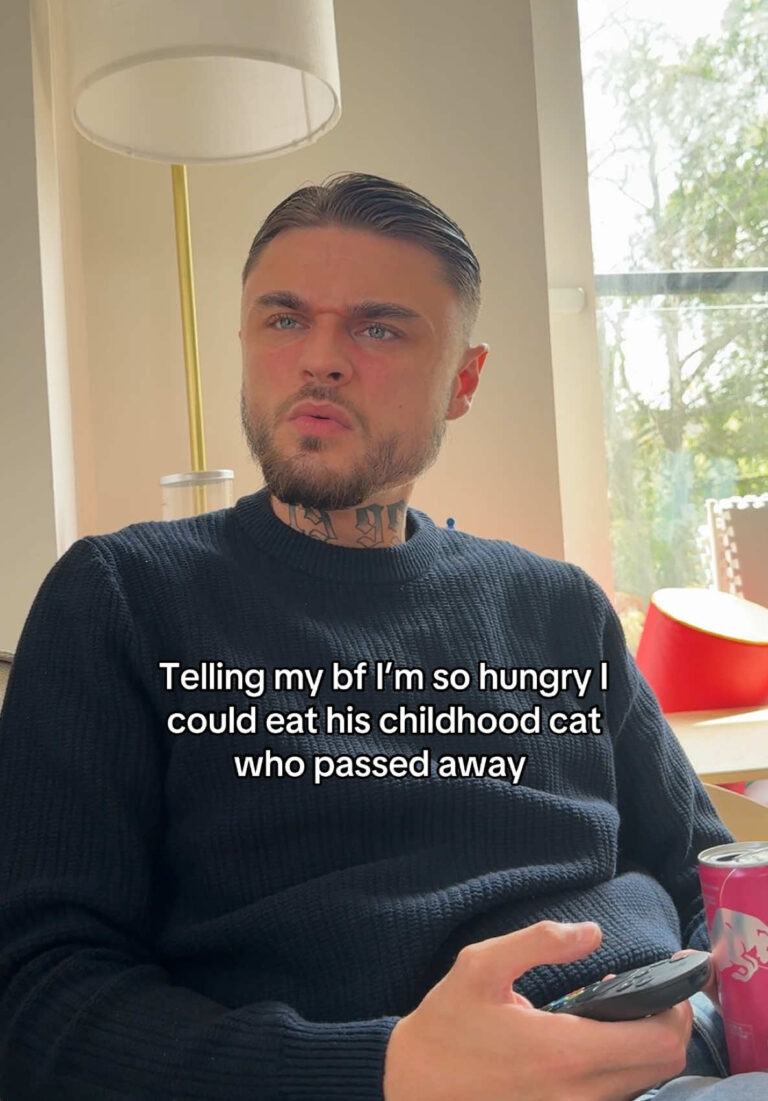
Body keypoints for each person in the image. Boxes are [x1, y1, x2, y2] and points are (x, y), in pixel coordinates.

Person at [0, 171, 763, 1101]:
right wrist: (388, 1069)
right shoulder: (122, 599)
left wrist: (722, 1021)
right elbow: (36, 1003)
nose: (320, 358)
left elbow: (715, 883)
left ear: (463, 382)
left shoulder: (559, 607)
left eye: (378, 329)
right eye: (284, 319)